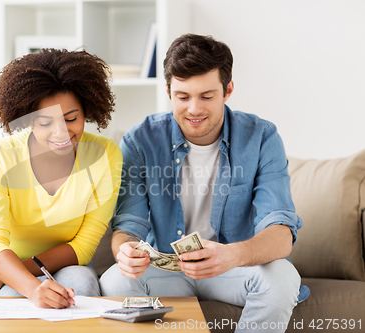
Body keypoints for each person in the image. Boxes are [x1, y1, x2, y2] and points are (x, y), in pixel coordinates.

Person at [99, 34, 308, 332]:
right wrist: (126, 252)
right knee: (113, 279)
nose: (194, 109)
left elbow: (281, 232)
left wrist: (232, 255)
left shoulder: (262, 138)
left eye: (207, 96)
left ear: (228, 90)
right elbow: (128, 226)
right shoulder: (139, 141)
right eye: (182, 97)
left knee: (283, 277)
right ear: (169, 91)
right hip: (168, 270)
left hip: (234, 267)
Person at [0, 48, 122, 315]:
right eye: (46, 123)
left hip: (62, 261)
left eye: (71, 119)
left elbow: (84, 245)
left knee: (83, 288)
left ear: (87, 110)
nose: (61, 133)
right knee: (12, 297)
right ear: (28, 119)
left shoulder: (106, 153)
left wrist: (11, 274)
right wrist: (29, 286)